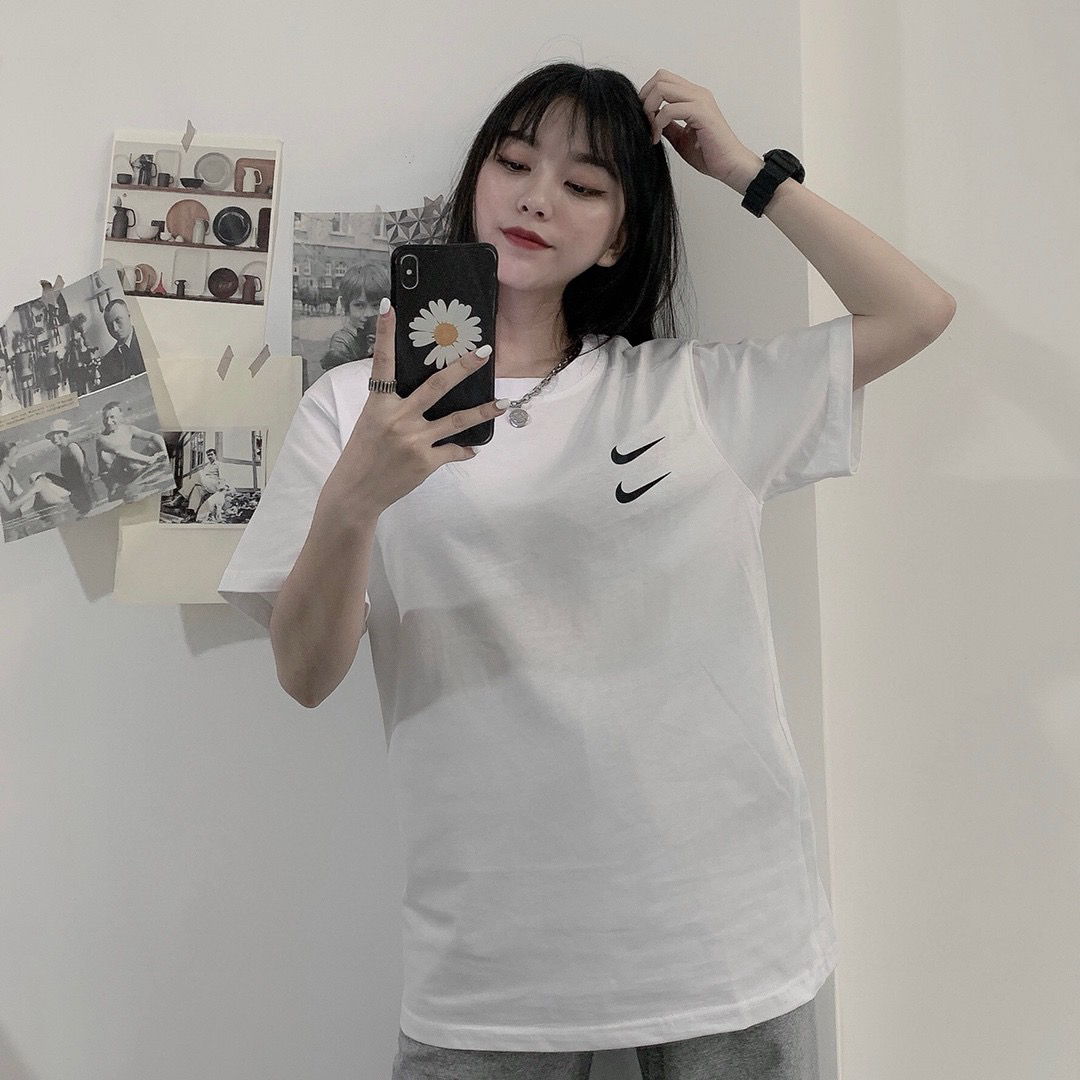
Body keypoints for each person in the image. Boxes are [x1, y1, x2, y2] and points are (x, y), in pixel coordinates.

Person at [219, 63, 955, 1077]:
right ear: (475, 184)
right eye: (515, 163)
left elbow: (915, 312)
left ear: (618, 237)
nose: (537, 198)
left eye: (583, 184)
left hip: (722, 934)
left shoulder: (690, 393)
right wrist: (356, 496)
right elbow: (306, 675)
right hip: (490, 961)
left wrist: (745, 170)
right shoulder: (353, 409)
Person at [320, 263, 391, 372]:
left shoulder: (384, 335)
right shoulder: (343, 341)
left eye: (376, 305)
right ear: (346, 306)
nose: (368, 313)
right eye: (359, 305)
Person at [94, 400, 166, 499]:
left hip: (129, 467)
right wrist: (148, 459)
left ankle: (152, 470)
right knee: (126, 459)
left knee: (153, 445)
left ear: (120, 416)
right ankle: (145, 470)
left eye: (112, 417)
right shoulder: (101, 439)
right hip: (113, 477)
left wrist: (164, 451)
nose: (108, 422)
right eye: (105, 418)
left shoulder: (128, 429)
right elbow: (119, 451)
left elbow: (154, 436)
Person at [42, 417, 96, 515]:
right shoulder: (63, 452)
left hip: (84, 490)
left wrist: (91, 499)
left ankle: (58, 510)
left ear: (65, 433)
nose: (54, 437)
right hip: (74, 488)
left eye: (57, 433)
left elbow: (84, 470)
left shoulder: (72, 447)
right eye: (52, 434)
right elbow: (70, 479)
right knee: (39, 476)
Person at [0, 440, 49, 541]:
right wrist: (33, 489)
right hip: (9, 533)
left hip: (19, 527)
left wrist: (38, 483)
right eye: (15, 454)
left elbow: (23, 497)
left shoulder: (10, 477)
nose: (17, 457)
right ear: (5, 458)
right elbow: (10, 508)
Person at [97, 299, 145, 387]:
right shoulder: (106, 362)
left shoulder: (147, 342)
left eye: (118, 320)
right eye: (109, 324)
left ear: (129, 315)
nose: (115, 329)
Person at [186, 448, 232, 522]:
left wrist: (222, 488)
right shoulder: (207, 466)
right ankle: (192, 513)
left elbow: (223, 477)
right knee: (197, 489)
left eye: (211, 454)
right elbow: (203, 477)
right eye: (208, 455)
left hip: (215, 484)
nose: (209, 456)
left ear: (215, 455)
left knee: (197, 476)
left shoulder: (219, 464)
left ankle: (180, 497)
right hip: (206, 485)